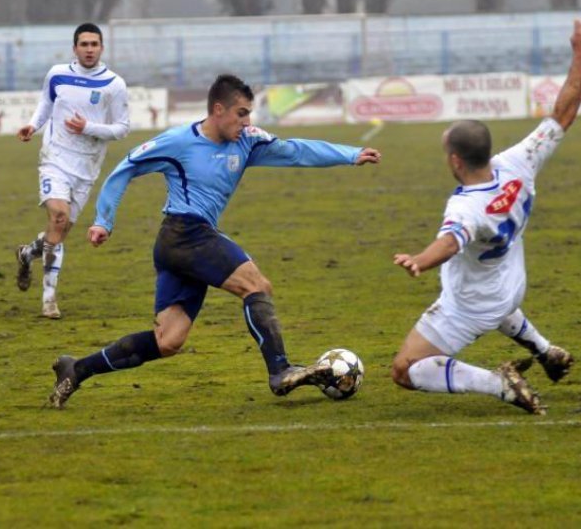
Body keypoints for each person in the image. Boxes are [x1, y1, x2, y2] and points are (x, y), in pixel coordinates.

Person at [47, 74, 381, 409]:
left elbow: (294, 151)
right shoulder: (178, 141)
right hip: (185, 233)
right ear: (218, 110)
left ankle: (76, 369)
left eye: (249, 114)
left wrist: (350, 154)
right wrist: (104, 220)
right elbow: (126, 167)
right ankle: (280, 371)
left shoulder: (247, 141)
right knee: (257, 286)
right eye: (241, 113)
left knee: (168, 341)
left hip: (182, 244)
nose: (247, 122)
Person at [391, 22, 581, 415]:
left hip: (473, 304)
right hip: (511, 284)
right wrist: (578, 57)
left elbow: (449, 242)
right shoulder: (519, 162)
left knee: (405, 370)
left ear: (456, 160)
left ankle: (500, 384)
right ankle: (547, 352)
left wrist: (420, 260)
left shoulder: (466, 207)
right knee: (498, 301)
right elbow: (565, 110)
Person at [15, 22, 130, 319]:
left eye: (94, 44)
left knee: (60, 232)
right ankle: (49, 301)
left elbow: (121, 128)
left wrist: (88, 127)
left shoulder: (114, 84)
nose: (89, 49)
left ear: (102, 48)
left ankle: (27, 254)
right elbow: (46, 103)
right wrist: (33, 125)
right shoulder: (57, 74)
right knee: (59, 216)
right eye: (84, 44)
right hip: (55, 157)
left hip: (87, 166)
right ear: (75, 48)